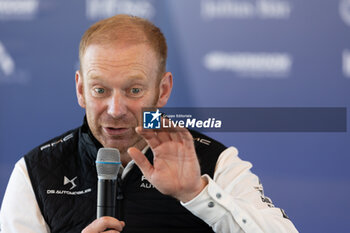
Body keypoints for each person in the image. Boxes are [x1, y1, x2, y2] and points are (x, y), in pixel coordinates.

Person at [0, 14, 298, 233]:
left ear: (163, 90)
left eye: (134, 90)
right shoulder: (35, 171)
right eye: (100, 90)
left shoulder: (214, 161)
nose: (115, 110)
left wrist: (197, 194)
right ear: (80, 89)